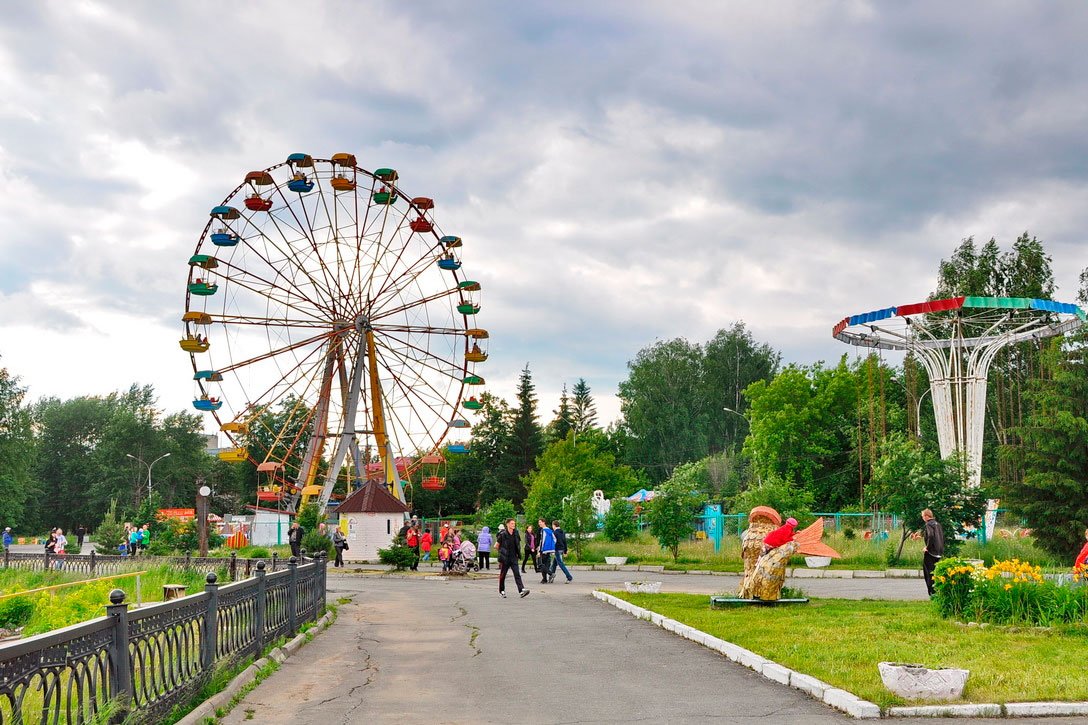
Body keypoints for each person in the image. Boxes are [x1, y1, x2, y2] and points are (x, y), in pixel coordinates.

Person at [496, 518, 529, 599]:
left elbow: (517, 544)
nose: (513, 525)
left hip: (514, 557)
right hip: (505, 558)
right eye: (511, 523)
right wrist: (502, 552)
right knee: (503, 575)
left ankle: (521, 590)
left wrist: (518, 554)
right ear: (507, 524)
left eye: (514, 523)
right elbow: (496, 546)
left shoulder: (516, 533)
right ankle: (502, 591)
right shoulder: (503, 534)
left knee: (517, 574)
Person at [921, 508, 945, 597]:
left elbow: (930, 535)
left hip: (931, 552)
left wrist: (927, 547)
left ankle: (932, 592)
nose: (922, 518)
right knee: (936, 572)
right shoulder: (938, 524)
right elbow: (941, 537)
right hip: (938, 552)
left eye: (923, 516)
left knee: (928, 572)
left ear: (927, 516)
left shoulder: (929, 524)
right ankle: (938, 591)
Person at [537, 519, 556, 584]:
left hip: (544, 550)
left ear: (544, 522)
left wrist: (540, 550)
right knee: (546, 565)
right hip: (549, 550)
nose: (539, 523)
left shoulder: (544, 530)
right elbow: (554, 539)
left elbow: (542, 541)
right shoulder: (550, 531)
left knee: (540, 564)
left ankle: (550, 574)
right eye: (538, 522)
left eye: (540, 522)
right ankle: (544, 579)